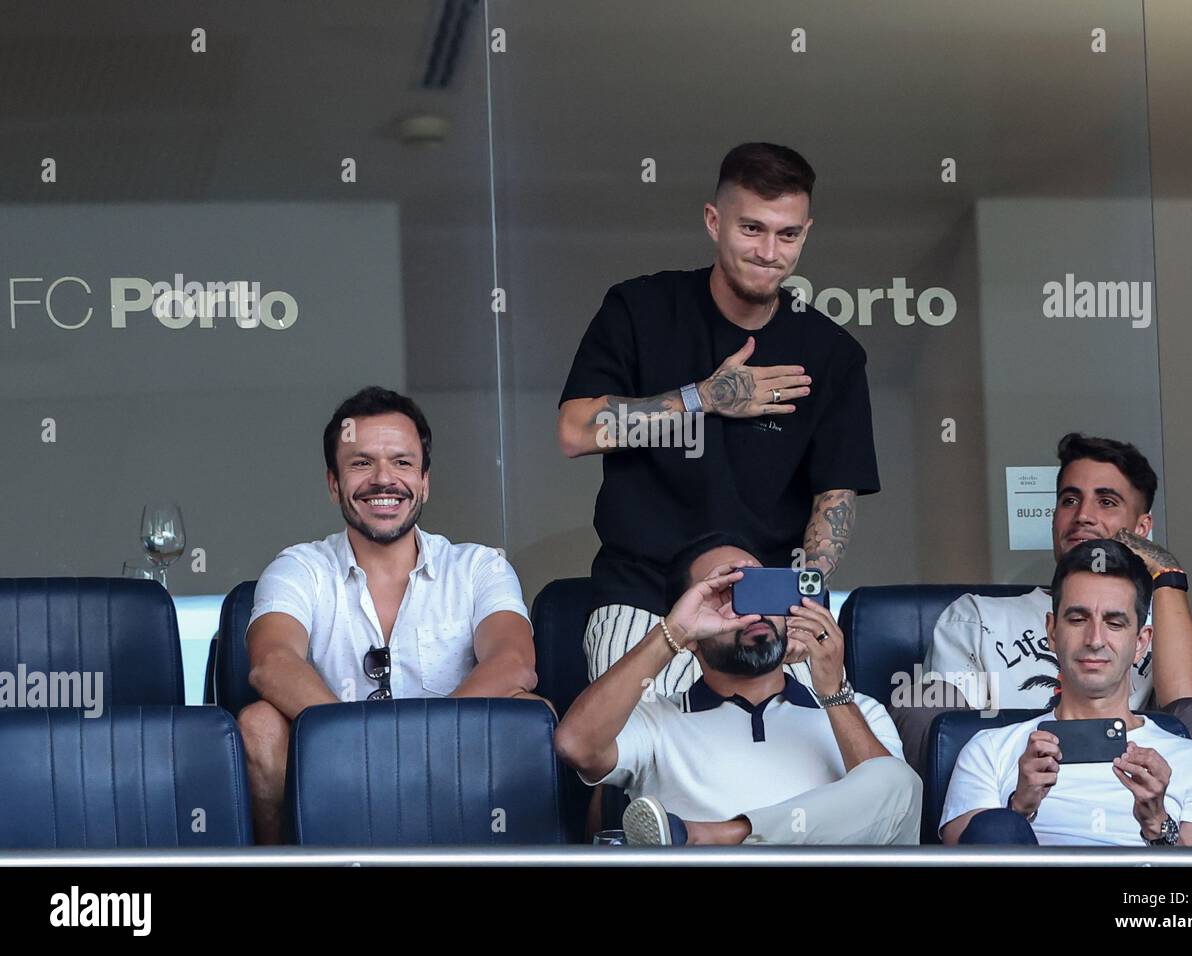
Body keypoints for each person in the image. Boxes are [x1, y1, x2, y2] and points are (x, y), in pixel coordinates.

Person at [557, 142, 879, 695]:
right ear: (714, 221)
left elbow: (835, 499)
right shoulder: (640, 309)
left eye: (788, 234)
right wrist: (702, 397)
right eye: (751, 229)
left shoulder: (832, 353)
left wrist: (803, 598)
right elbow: (575, 431)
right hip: (644, 595)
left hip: (767, 606)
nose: (769, 251)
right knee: (641, 762)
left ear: (806, 233)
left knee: (805, 762)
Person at [237, 386, 542, 844]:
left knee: (532, 714)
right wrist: (363, 747)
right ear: (333, 483)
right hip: (333, 775)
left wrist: (419, 745)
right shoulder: (299, 567)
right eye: (361, 463)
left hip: (456, 769)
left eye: (402, 462)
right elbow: (271, 663)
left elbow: (514, 663)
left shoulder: (480, 566)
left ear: (424, 481)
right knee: (259, 725)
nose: (384, 480)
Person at [554, 533, 921, 846]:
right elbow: (575, 746)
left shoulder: (858, 710)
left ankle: (714, 836)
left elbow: (895, 806)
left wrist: (832, 691)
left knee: (898, 778)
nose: (753, 611)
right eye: (725, 592)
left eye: (761, 589)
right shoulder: (657, 719)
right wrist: (674, 632)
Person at [895, 433, 1192, 769]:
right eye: (1070, 500)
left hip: (1129, 791)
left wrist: (1167, 575)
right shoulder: (978, 616)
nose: (1083, 515)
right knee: (921, 701)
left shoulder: (1155, 625)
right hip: (1007, 793)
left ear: (1141, 528)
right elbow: (937, 726)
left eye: (1107, 502)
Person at [940, 539, 1192, 846]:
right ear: (1052, 632)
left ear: (1142, 642)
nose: (1094, 639)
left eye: (1114, 623)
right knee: (997, 827)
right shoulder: (989, 750)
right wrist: (1020, 806)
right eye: (1078, 619)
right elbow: (962, 862)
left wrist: (1157, 823)